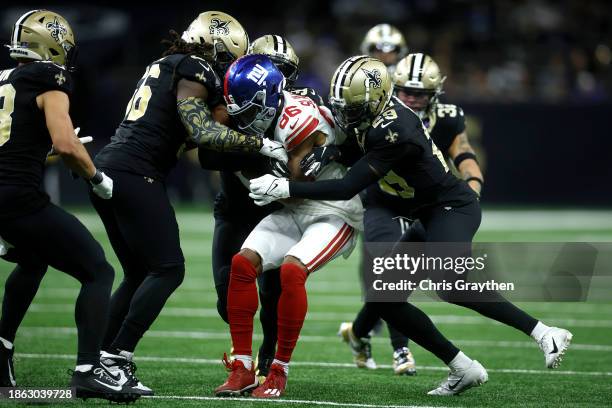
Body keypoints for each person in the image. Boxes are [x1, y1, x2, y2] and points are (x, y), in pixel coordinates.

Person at [251, 55, 573, 395]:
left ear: (374, 102)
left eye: (353, 107)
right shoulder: (373, 118)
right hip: (425, 211)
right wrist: (328, 152)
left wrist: (289, 187)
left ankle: (544, 333)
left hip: (450, 207)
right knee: (386, 297)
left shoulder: (394, 129)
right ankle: (462, 367)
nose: (346, 114)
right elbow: (351, 149)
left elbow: (349, 186)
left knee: (449, 284)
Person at [90, 11, 287, 395]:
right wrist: (260, 143)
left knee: (136, 272)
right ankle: (117, 358)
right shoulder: (196, 67)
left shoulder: (167, 64)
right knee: (168, 269)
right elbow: (202, 131)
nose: (227, 71)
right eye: (227, 60)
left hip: (112, 166)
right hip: (136, 172)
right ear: (215, 49)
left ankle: (95, 361)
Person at [0, 9, 139, 402]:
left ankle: (2, 351)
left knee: (32, 259)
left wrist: (44, 150)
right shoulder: (50, 77)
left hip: (5, 195)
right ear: (51, 44)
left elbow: (12, 148)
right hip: (20, 197)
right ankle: (87, 371)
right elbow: (65, 143)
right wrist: (96, 177)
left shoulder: (4, 79)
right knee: (98, 269)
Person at [214, 54, 362, 399]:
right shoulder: (266, 114)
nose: (243, 118)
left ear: (268, 98)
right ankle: (241, 368)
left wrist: (256, 168)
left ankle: (278, 372)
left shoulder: (298, 120)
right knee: (241, 264)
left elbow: (293, 188)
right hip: (296, 206)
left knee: (292, 272)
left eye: (249, 109)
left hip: (333, 210)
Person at [338, 53, 485, 375]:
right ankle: (401, 349)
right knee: (389, 268)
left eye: (420, 94)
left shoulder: (446, 117)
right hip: (384, 201)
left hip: (425, 205)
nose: (412, 98)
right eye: (405, 91)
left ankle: (358, 332)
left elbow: (463, 151)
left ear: (434, 95)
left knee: (393, 282)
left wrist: (473, 183)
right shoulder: (383, 118)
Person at [199, 33, 325, 384]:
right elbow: (208, 153)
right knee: (228, 299)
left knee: (273, 293)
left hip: (273, 210)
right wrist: (256, 147)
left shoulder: (299, 107)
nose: (277, 79)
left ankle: (267, 360)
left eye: (283, 72)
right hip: (236, 209)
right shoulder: (231, 103)